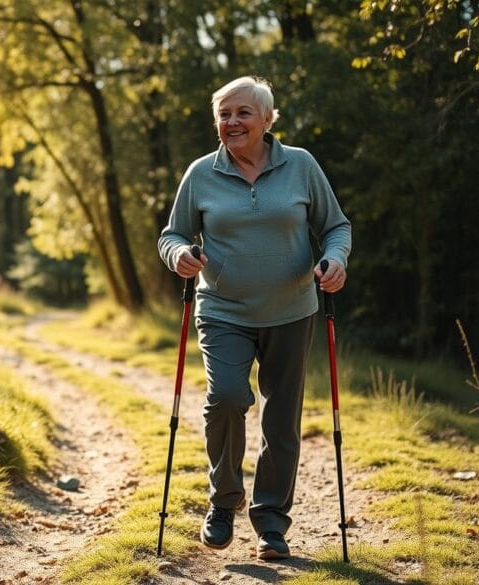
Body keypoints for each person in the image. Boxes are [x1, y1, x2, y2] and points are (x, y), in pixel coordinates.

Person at [157, 76, 351, 560]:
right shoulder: (200, 174)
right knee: (225, 396)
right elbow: (171, 235)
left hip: (291, 311)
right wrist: (178, 253)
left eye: (243, 112)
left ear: (267, 118)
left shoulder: (301, 166)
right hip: (223, 310)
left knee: (281, 420)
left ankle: (270, 522)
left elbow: (335, 228)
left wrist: (337, 260)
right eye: (224, 114)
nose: (232, 122)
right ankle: (223, 501)